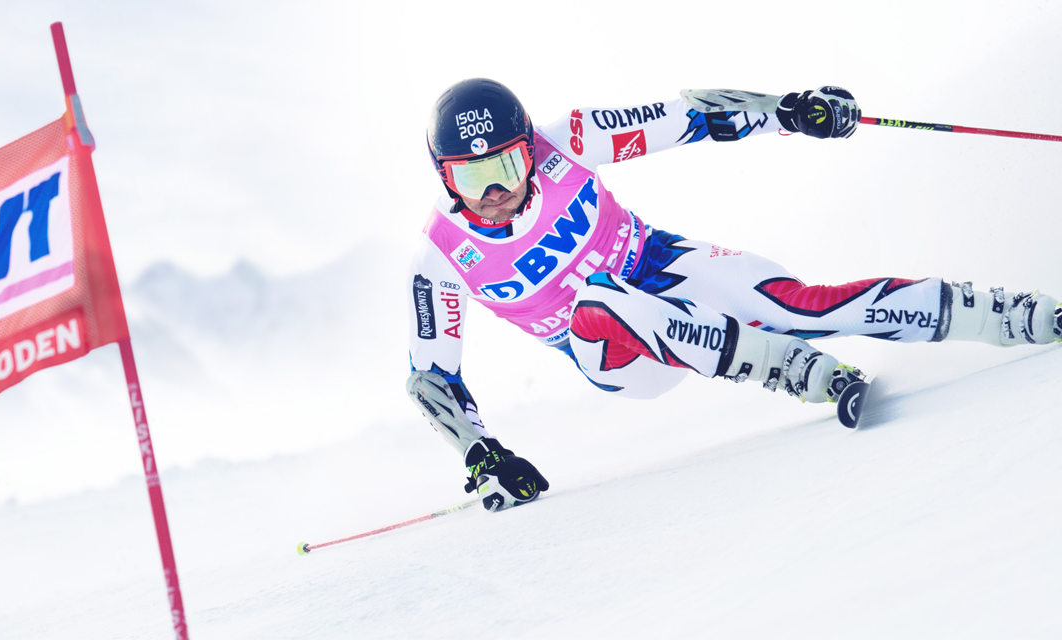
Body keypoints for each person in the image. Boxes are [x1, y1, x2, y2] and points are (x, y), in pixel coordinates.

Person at [405, 78, 1062, 512]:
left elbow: (688, 117)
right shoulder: (441, 256)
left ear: (529, 148)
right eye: (471, 177)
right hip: (615, 354)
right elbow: (432, 377)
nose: (495, 193)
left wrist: (789, 112)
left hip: (660, 264)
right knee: (600, 301)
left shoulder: (568, 139)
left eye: (507, 166)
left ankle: (1017, 316)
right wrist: (483, 455)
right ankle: (793, 371)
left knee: (801, 305)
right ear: (444, 176)